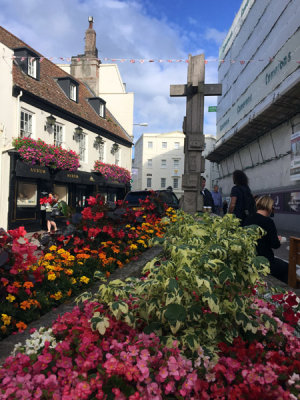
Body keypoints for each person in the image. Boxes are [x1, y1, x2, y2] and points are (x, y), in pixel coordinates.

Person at [244, 195, 288, 283]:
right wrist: (278, 239)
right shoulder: (268, 222)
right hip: (265, 261)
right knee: (287, 268)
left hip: (249, 260)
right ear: (269, 207)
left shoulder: (248, 219)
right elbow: (275, 245)